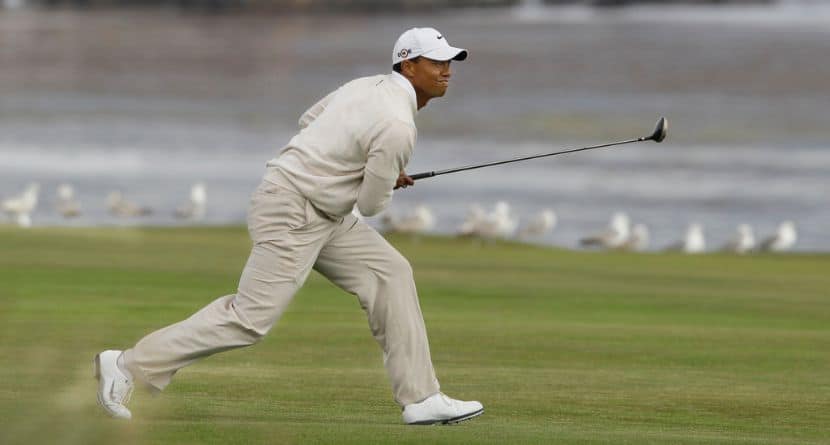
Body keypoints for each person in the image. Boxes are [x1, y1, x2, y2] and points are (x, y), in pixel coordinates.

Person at [94, 27, 484, 426]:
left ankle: (421, 398)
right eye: (437, 62)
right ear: (408, 64)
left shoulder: (365, 86)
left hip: (321, 210)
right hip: (292, 211)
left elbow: (310, 119)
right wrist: (380, 175)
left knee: (391, 274)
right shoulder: (399, 126)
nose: (446, 71)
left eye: (449, 62)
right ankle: (127, 364)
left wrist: (370, 168)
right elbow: (370, 204)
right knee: (249, 320)